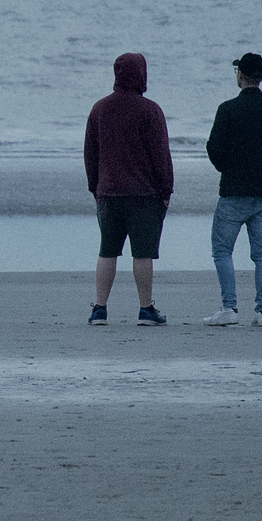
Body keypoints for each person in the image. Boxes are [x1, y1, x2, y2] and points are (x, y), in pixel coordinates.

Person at [83, 53, 174, 325]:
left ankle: (100, 308)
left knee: (107, 251)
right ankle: (146, 309)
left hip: (108, 193)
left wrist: (95, 187)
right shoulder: (150, 110)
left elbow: (90, 153)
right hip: (144, 195)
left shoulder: (100, 109)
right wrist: (166, 190)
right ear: (142, 74)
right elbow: (161, 156)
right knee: (143, 253)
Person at [202, 52, 262, 327]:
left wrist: (228, 169)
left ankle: (229, 307)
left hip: (233, 192)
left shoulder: (227, 109)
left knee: (222, 251)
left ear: (240, 75)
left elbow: (213, 149)